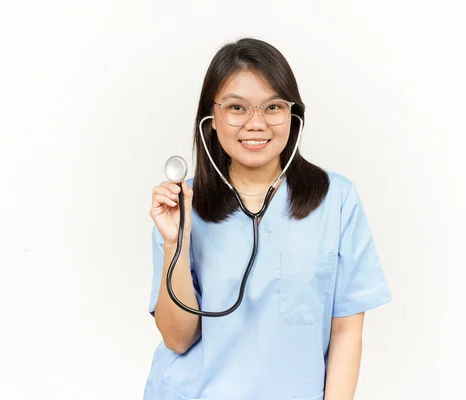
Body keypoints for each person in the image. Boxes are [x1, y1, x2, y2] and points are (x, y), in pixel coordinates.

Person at [145, 38, 392, 400]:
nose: (256, 123)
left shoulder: (336, 199)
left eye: (272, 106)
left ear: (293, 116)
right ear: (211, 120)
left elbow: (346, 332)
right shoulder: (183, 205)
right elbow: (178, 338)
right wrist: (174, 243)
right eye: (237, 108)